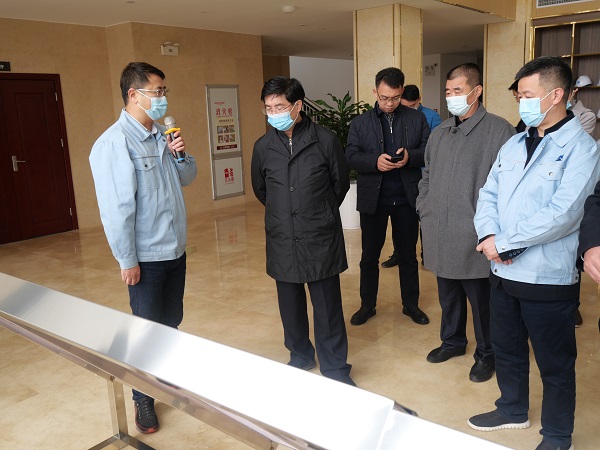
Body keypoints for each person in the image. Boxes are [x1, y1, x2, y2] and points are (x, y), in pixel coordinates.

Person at [468, 56, 600, 450]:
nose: (521, 102)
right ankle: (512, 408)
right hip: (502, 271)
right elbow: (488, 193)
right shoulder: (514, 142)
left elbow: (565, 212)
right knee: (507, 348)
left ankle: (557, 435)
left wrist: (505, 242)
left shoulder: (582, 148)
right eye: (520, 96)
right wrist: (489, 234)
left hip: (547, 275)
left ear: (556, 95)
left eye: (527, 95)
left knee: (554, 363)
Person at [89, 62, 197, 434]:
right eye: (157, 92)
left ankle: (164, 379)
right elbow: (117, 209)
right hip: (146, 259)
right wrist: (127, 259)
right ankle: (142, 398)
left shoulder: (161, 135)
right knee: (145, 330)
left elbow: (188, 177)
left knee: (170, 323)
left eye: (165, 91)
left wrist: (180, 153)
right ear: (133, 94)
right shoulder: (114, 143)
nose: (163, 99)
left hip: (175, 250)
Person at [251, 76, 354, 386]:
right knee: (290, 305)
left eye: (279, 107)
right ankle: (300, 356)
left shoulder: (325, 140)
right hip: (283, 235)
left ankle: (335, 367)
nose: (273, 113)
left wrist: (317, 212)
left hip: (319, 235)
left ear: (297, 106)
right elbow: (261, 190)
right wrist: (286, 214)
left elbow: (339, 185)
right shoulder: (263, 147)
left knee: (327, 306)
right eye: (268, 108)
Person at [416, 63, 515, 383]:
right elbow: (427, 175)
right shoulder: (440, 132)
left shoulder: (499, 131)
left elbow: (510, 187)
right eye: (448, 91)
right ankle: (452, 341)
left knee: (482, 302)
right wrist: (424, 206)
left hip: (476, 235)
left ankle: (487, 353)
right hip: (440, 229)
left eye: (458, 90)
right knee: (448, 295)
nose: (451, 97)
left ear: (477, 91)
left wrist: (494, 231)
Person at [346, 67, 430, 326]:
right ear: (375, 92)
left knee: (408, 255)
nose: (389, 103)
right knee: (369, 256)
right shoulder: (360, 123)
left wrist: (410, 157)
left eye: (395, 98)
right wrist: (375, 161)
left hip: (406, 197)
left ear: (402, 92)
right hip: (374, 199)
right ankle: (367, 305)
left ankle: (411, 304)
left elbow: (428, 150)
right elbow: (350, 155)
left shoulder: (417, 119)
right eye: (384, 98)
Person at [381, 84, 442, 269]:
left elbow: (434, 147)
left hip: (423, 174)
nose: (408, 109)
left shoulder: (431, 117)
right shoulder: (394, 116)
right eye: (405, 105)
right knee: (400, 221)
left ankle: (426, 254)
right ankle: (398, 253)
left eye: (412, 105)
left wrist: (412, 156)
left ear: (419, 101)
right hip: (401, 175)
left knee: (424, 218)